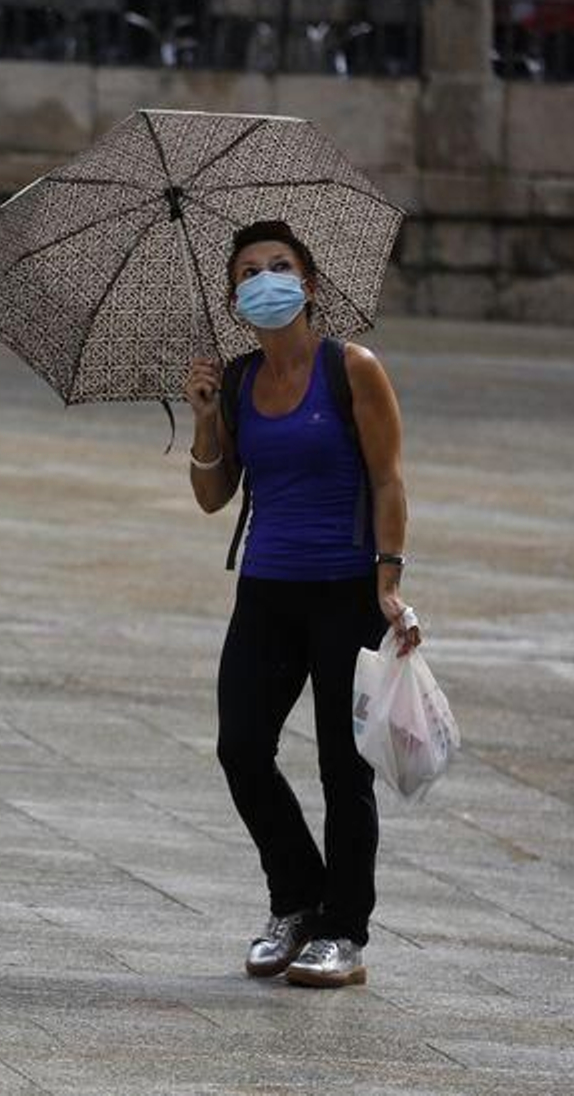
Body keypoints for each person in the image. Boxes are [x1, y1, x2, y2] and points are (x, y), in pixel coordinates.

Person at [182, 220, 421, 989]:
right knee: (242, 748)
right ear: (234, 298)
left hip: (345, 590)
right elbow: (214, 496)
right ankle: (296, 901)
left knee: (343, 768)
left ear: (309, 284)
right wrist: (206, 417)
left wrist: (389, 578)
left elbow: (388, 477)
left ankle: (343, 932)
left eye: (279, 266)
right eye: (248, 273)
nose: (265, 281)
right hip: (266, 588)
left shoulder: (352, 368)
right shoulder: (238, 381)